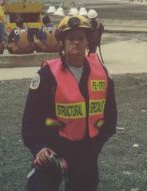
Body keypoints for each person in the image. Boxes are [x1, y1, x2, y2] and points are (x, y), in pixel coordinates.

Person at [22, 15, 117, 191]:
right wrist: (39, 148)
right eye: (71, 39)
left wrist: (96, 145)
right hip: (52, 150)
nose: (76, 43)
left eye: (81, 38)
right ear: (62, 43)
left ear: (88, 41)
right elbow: (30, 119)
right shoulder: (46, 75)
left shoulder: (102, 73)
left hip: (86, 150)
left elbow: (111, 116)